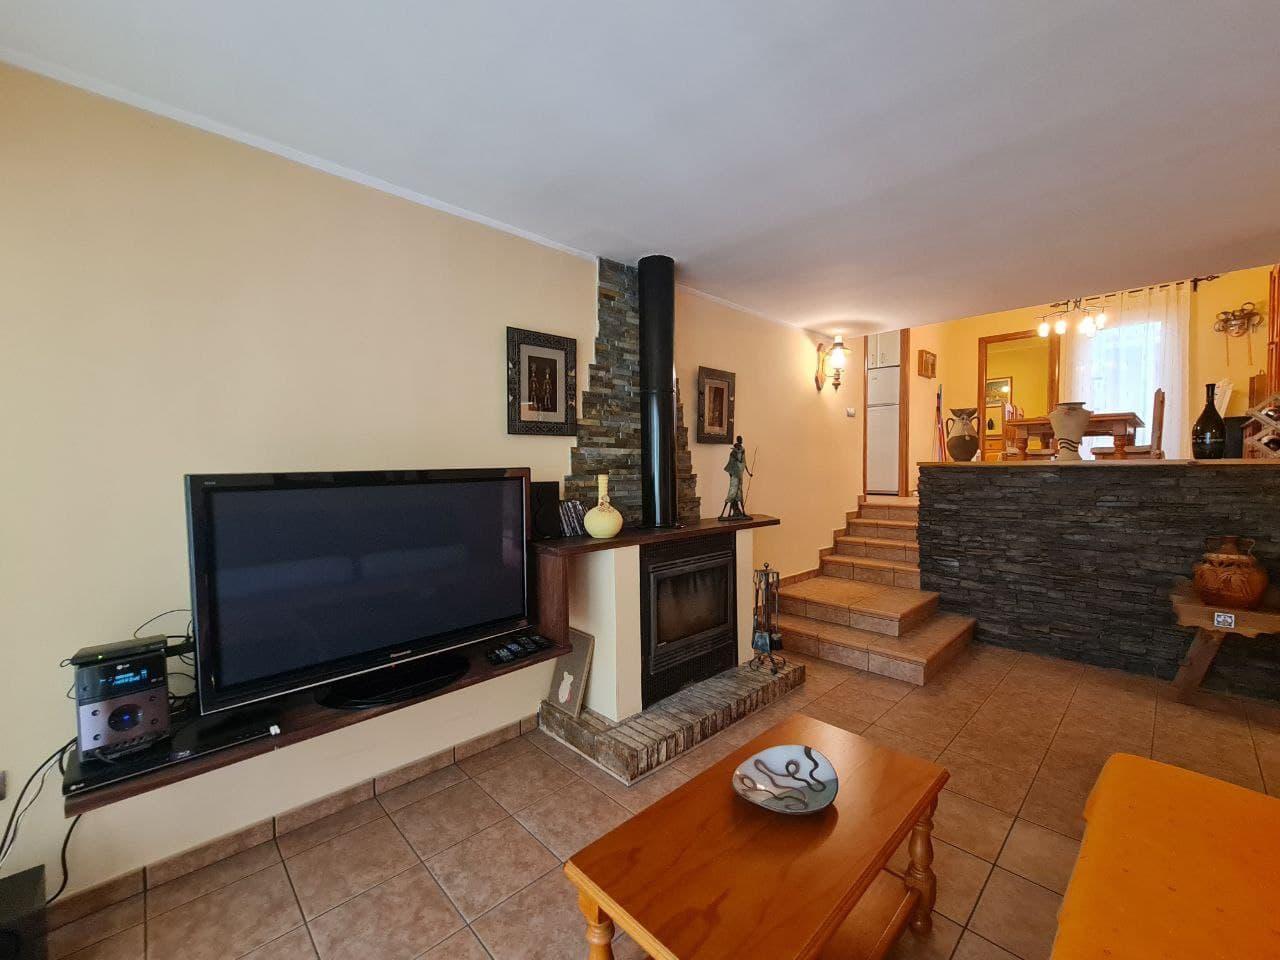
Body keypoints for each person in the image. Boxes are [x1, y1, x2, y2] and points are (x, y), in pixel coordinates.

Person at [718, 435, 753, 520]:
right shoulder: (733, 453)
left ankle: (743, 512)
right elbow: (730, 464)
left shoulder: (742, 450)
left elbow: (744, 462)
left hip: (740, 474)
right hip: (734, 475)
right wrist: (731, 473)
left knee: (740, 494)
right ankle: (723, 514)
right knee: (732, 493)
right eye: (740, 439)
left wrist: (748, 473)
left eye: (741, 439)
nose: (741, 441)